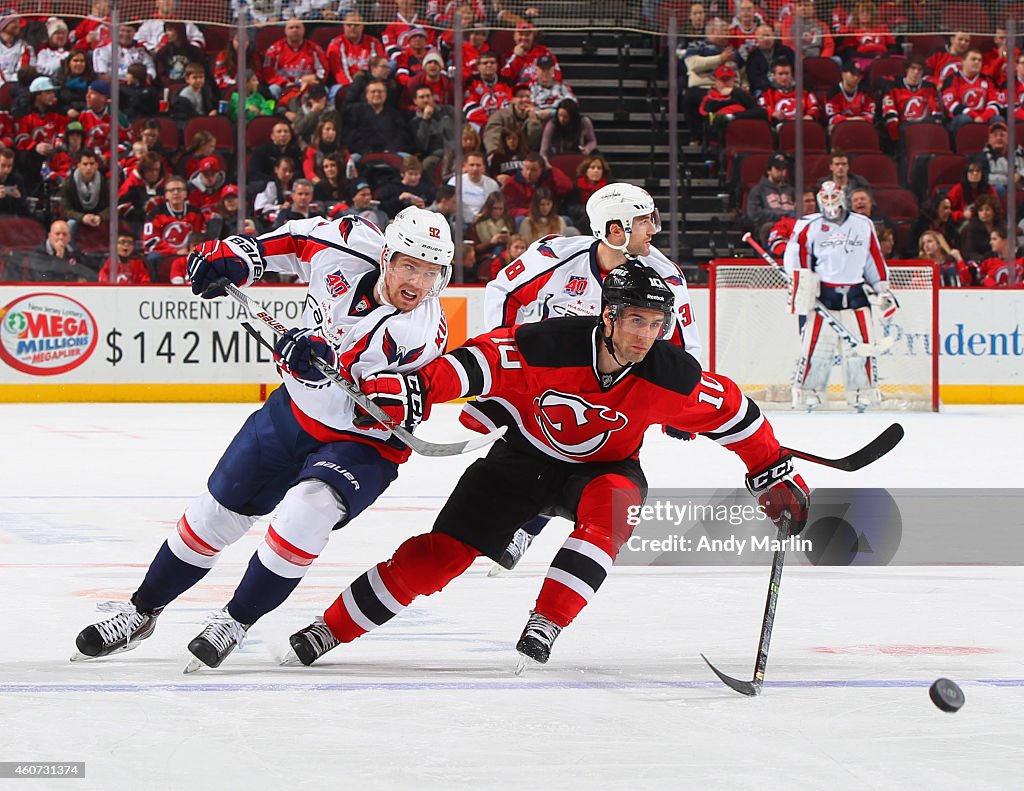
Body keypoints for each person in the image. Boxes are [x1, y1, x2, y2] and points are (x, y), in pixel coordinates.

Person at [283, 262, 809, 669]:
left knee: (610, 514)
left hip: (606, 469)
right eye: (635, 321)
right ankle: (330, 628)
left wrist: (771, 471)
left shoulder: (668, 374)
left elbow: (735, 413)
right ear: (609, 316)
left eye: (656, 323)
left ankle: (545, 624)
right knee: (439, 556)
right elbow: (479, 362)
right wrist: (419, 386)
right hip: (522, 461)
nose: (646, 335)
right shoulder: (549, 346)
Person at [72, 206, 456, 670]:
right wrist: (239, 255)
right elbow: (294, 243)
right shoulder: (347, 239)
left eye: (431, 271)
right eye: (410, 265)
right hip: (292, 412)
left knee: (304, 514)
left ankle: (235, 621)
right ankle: (141, 611)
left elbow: (343, 370)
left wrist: (314, 356)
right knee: (211, 517)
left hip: (362, 441)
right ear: (387, 256)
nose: (418, 283)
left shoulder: (419, 331)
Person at [482, 183, 703, 569]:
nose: (654, 229)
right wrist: (503, 361)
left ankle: (542, 531)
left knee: (597, 463)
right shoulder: (555, 255)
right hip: (552, 380)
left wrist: (681, 407)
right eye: (643, 221)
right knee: (528, 455)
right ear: (614, 230)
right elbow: (504, 292)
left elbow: (684, 344)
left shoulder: (663, 276)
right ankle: (519, 521)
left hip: (618, 391)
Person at [783, 180, 897, 411]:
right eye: (825, 198)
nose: (830, 202)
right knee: (816, 348)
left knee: (862, 348)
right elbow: (795, 256)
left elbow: (873, 257)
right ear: (818, 200)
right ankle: (808, 393)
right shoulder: (808, 224)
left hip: (856, 293)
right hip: (823, 295)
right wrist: (803, 285)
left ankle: (862, 392)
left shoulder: (863, 224)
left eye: (833, 196)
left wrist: (882, 288)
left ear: (842, 196)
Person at [746, 153, 795, 239]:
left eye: (783, 169)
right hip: (770, 226)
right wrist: (780, 216)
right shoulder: (758, 190)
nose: (781, 172)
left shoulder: (791, 190)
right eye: (777, 169)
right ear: (769, 170)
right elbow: (754, 214)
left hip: (791, 225)